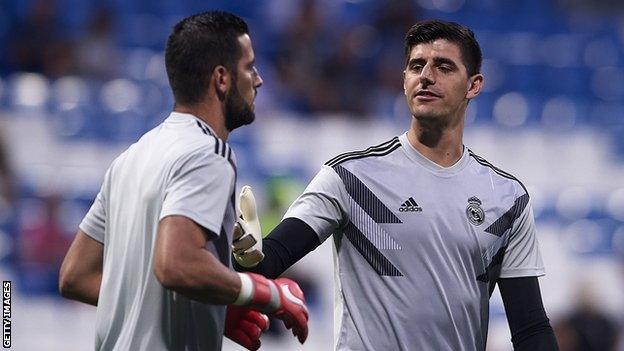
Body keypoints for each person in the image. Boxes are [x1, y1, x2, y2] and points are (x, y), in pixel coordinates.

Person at [233, 20, 559, 350]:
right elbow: (269, 261)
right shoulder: (349, 178)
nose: (427, 76)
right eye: (417, 66)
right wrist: (246, 256)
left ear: (473, 86)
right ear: (405, 81)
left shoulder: (506, 198)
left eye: (444, 66)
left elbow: (529, 326)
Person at [58, 11, 309, 351]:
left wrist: (213, 302)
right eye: (249, 67)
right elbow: (175, 263)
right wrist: (265, 292)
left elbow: (76, 276)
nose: (259, 79)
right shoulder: (209, 153)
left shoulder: (132, 157)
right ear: (222, 78)